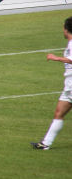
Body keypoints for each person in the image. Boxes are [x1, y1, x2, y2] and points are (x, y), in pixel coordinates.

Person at [31, 16, 72, 150]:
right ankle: (46, 144)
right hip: (68, 86)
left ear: (67, 30)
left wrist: (56, 58)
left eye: (63, 28)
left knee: (59, 113)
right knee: (58, 113)